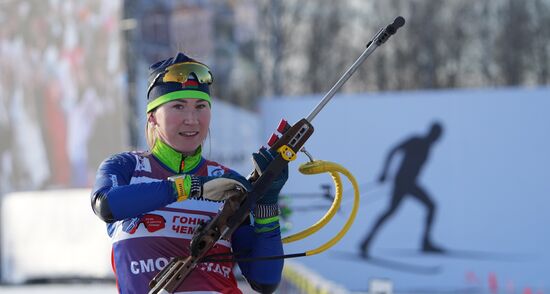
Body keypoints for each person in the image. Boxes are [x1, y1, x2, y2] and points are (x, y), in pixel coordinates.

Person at [91, 52, 288, 293]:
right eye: (178, 106)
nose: (192, 119)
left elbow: (264, 281)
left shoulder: (226, 181)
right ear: (153, 117)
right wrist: (190, 187)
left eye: (200, 106)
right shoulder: (127, 167)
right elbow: (106, 205)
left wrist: (266, 205)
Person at [360, 122, 445, 258]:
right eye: (438, 135)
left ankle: (425, 243)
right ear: (433, 133)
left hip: (410, 183)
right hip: (403, 183)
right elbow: (393, 150)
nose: (438, 139)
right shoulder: (416, 141)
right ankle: (366, 242)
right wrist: (384, 172)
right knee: (393, 211)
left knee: (427, 207)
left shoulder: (427, 146)